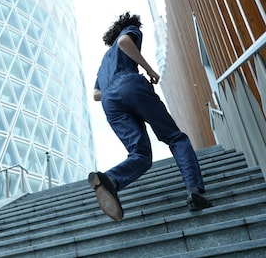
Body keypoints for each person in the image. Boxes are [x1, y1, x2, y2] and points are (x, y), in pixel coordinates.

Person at [88, 12, 211, 221]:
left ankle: (111, 179)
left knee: (140, 155)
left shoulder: (104, 62)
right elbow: (126, 42)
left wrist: (115, 91)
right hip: (130, 84)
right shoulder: (129, 32)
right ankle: (194, 191)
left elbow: (96, 94)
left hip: (110, 102)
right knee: (175, 138)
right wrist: (150, 70)